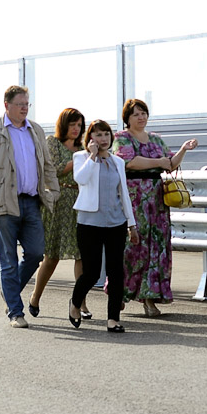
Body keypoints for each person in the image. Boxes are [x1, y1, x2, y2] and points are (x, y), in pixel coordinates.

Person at [0, 85, 60, 328]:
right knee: (8, 260)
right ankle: (15, 312)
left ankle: (9, 292)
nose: (24, 108)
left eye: (26, 104)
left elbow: (47, 165)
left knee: (36, 253)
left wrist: (54, 192)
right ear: (7, 105)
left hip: (31, 201)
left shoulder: (35, 130)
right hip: (4, 203)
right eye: (20, 104)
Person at [113, 99, 198, 316]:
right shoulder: (121, 138)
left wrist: (183, 149)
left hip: (157, 200)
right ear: (127, 118)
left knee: (157, 247)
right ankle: (120, 291)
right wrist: (158, 162)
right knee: (132, 246)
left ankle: (149, 299)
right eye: (136, 114)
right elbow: (129, 162)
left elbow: (170, 164)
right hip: (134, 198)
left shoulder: (156, 139)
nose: (141, 117)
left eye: (143, 113)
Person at [69, 120, 139, 333]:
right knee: (91, 272)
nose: (103, 139)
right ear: (90, 138)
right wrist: (92, 156)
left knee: (116, 271)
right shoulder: (81, 157)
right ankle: (75, 303)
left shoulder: (118, 161)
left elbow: (124, 194)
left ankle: (113, 319)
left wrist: (131, 224)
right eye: (98, 135)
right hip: (89, 223)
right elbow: (81, 179)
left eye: (106, 134)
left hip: (116, 222)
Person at [29, 108, 89, 318]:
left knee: (81, 255)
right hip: (58, 201)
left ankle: (80, 303)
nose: (76, 129)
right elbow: (53, 169)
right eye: (72, 124)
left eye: (79, 125)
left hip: (79, 202)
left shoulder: (83, 147)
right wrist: (80, 160)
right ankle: (35, 296)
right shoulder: (52, 142)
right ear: (63, 125)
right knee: (52, 256)